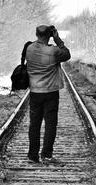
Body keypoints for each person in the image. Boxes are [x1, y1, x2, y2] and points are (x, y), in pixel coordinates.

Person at [26, 25, 71, 164]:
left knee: (34, 124)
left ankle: (33, 155)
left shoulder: (29, 48)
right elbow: (67, 54)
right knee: (50, 124)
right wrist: (57, 39)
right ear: (49, 35)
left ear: (36, 34)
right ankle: (46, 155)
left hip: (34, 92)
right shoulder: (54, 51)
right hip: (50, 92)